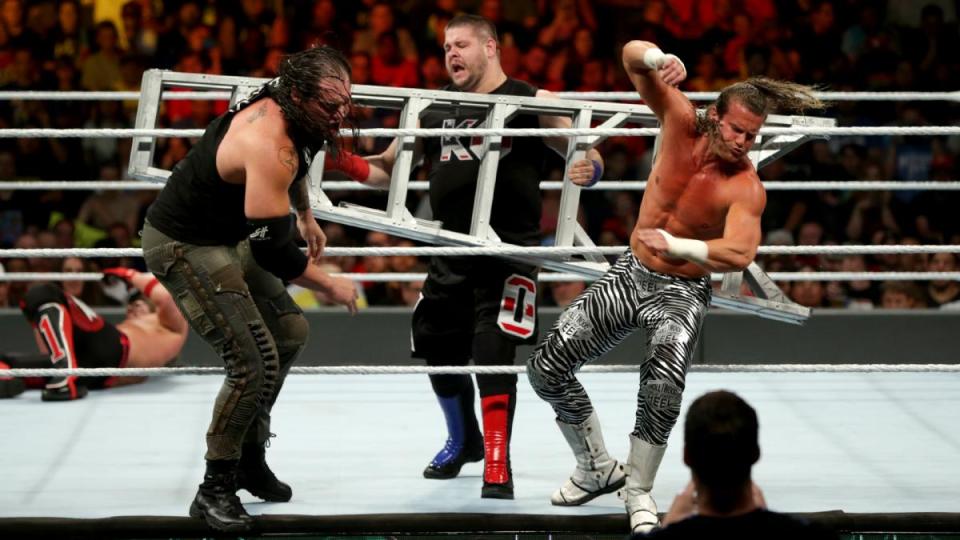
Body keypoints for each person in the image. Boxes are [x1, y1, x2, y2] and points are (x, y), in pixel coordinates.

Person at [526, 40, 824, 533]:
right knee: (545, 368)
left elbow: (739, 252)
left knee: (663, 383)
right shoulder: (680, 119)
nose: (743, 143)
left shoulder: (745, 185)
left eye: (752, 135)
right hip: (631, 273)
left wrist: (678, 245)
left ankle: (638, 488)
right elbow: (629, 56)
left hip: (681, 291)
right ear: (714, 116)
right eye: (736, 129)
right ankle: (596, 466)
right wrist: (657, 59)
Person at [324, 14, 605, 499]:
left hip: (507, 254)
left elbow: (586, 148)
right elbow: (388, 170)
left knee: (493, 352)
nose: (451, 54)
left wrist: (590, 169)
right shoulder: (431, 107)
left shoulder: (529, 100)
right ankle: (463, 440)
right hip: (449, 251)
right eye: (446, 47)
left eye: (461, 45)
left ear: (490, 47)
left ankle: (498, 462)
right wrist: (338, 159)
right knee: (436, 345)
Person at [139, 45, 359, 532]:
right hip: (183, 243)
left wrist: (305, 214)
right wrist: (329, 284)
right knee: (252, 362)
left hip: (225, 234)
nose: (340, 113)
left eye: (345, 101)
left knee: (289, 333)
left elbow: (297, 162)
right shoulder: (267, 140)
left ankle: (249, 459)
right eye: (330, 105)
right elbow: (273, 252)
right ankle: (213, 489)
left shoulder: (298, 111)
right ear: (299, 96)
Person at [633, 390, 839, 539]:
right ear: (756, 453)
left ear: (686, 456)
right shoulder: (816, 537)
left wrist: (668, 530)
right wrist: (763, 521)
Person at [0, 267, 188, 400]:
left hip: (114, 354)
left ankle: (65, 377)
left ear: (153, 308)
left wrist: (129, 275)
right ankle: (54, 377)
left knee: (43, 292)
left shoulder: (173, 329)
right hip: (93, 374)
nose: (132, 309)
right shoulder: (128, 329)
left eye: (138, 305)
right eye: (130, 307)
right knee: (9, 362)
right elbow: (49, 351)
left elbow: (166, 298)